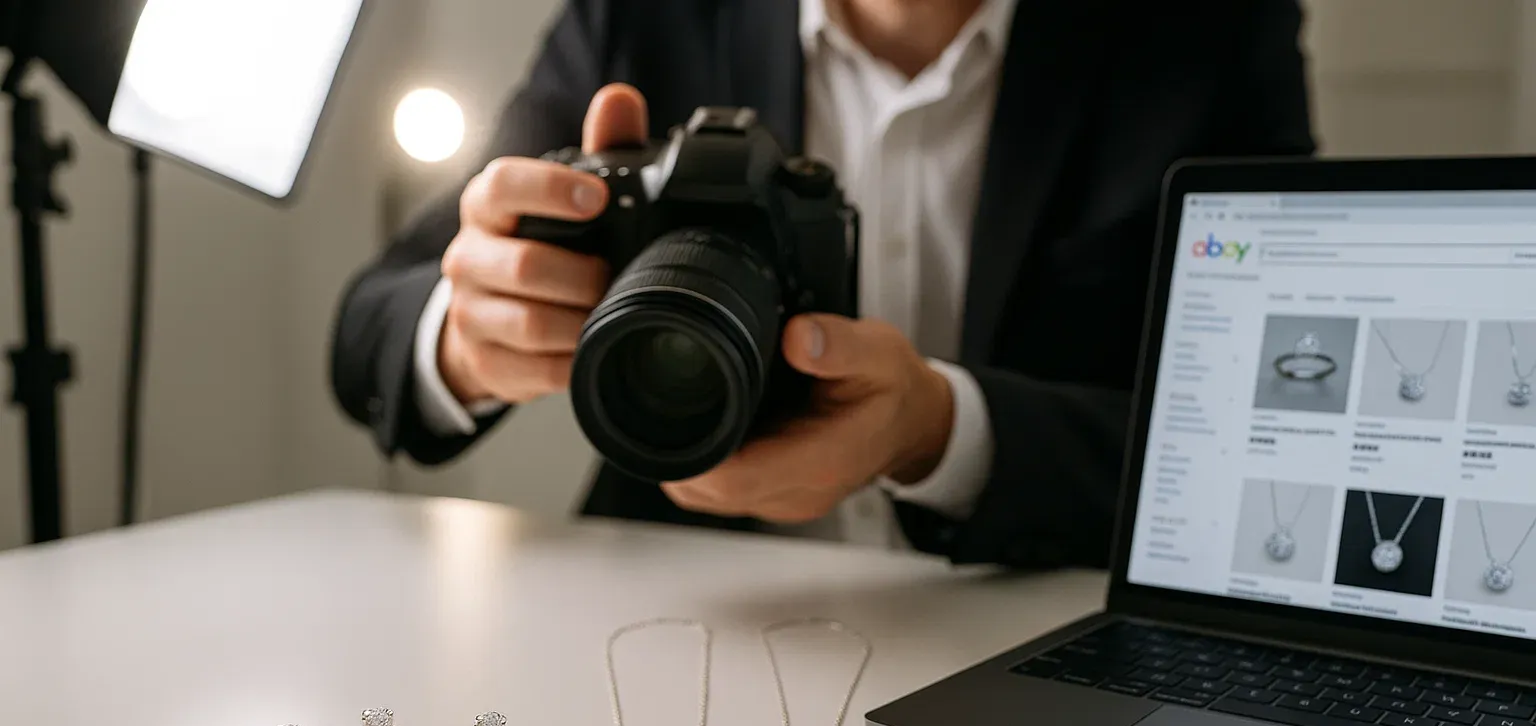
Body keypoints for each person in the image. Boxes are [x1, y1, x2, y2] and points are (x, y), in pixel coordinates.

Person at [332, 0, 1314, 568]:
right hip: (677, 634)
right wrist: (471, 334)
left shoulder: (1207, 26)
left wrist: (942, 433)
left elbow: (1273, 433)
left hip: (1027, 633)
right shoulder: (646, 12)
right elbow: (372, 328)